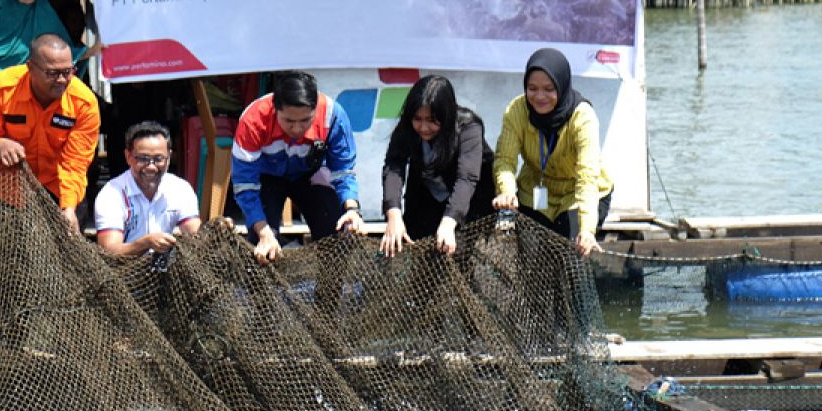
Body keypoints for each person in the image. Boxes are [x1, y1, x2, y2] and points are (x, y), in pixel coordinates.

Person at [0, 33, 101, 234]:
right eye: (53, 73)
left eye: (68, 71)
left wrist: (69, 208)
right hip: (8, 192)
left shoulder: (84, 102)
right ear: (30, 68)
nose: (62, 80)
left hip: (60, 191)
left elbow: (76, 162)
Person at [492, 48, 613, 257]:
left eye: (549, 89)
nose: (540, 96)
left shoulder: (583, 117)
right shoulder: (516, 110)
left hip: (578, 194)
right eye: (532, 88)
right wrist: (507, 192)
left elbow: (587, 178)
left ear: (562, 85)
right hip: (535, 191)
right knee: (533, 262)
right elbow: (504, 161)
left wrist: (586, 230)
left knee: (571, 257)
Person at [231, 71, 362, 263]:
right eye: (289, 121)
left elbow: (343, 171)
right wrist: (263, 231)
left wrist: (352, 210)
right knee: (262, 245)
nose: (297, 129)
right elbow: (245, 185)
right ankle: (262, 291)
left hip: (311, 175)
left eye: (305, 120)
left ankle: (329, 292)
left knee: (336, 232)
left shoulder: (333, 116)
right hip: (267, 178)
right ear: (275, 109)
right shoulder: (253, 120)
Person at [380, 75, 495, 257]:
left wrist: (450, 221)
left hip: (469, 201)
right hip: (427, 195)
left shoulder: (468, 127)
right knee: (419, 254)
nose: (424, 127)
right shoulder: (407, 127)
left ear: (446, 116)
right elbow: (394, 165)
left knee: (456, 254)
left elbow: (467, 178)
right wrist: (393, 213)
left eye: (432, 120)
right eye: (418, 119)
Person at [94, 121, 201, 257]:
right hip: (121, 272)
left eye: (158, 159)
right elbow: (109, 251)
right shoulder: (111, 194)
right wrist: (146, 243)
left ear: (169, 158)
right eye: (143, 159)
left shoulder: (181, 188)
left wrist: (218, 230)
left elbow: (195, 234)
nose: (151, 167)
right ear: (128, 157)